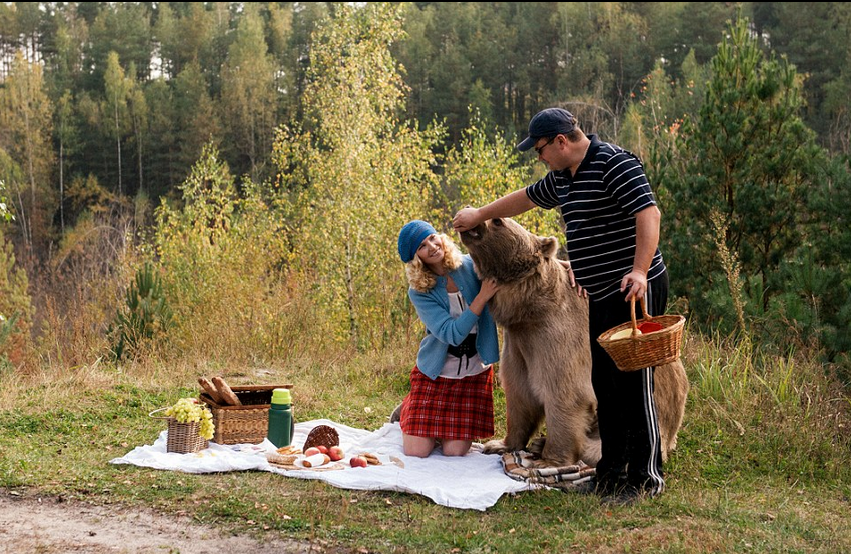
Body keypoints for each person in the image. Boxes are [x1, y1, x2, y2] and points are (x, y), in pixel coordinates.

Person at [453, 107, 669, 505]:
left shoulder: (614, 163)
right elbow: (524, 200)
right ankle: (610, 475)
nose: (539, 158)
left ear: (561, 141)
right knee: (605, 383)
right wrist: (482, 214)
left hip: (634, 288)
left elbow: (649, 213)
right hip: (600, 290)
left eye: (540, 150)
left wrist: (640, 271)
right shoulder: (564, 179)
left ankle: (644, 478)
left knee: (634, 385)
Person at [395, 219, 500, 457]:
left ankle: (433, 427)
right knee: (417, 452)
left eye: (432, 237)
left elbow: (509, 264)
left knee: (455, 452)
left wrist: (566, 265)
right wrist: (482, 297)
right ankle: (408, 409)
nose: (432, 246)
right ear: (416, 257)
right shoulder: (419, 291)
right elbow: (450, 334)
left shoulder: (470, 264)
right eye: (422, 246)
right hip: (438, 372)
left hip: (473, 372)